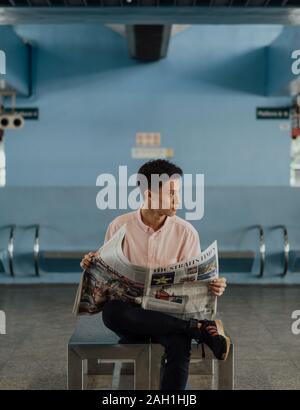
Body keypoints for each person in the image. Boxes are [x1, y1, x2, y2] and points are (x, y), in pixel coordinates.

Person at [81, 159, 230, 390]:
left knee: (178, 344)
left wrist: (211, 286)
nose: (178, 200)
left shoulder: (186, 233)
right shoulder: (119, 226)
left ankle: (189, 329)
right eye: (171, 193)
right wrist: (93, 266)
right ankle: (196, 329)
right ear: (149, 195)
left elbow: (193, 287)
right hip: (132, 314)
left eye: (178, 193)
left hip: (169, 314)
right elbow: (108, 279)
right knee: (112, 312)